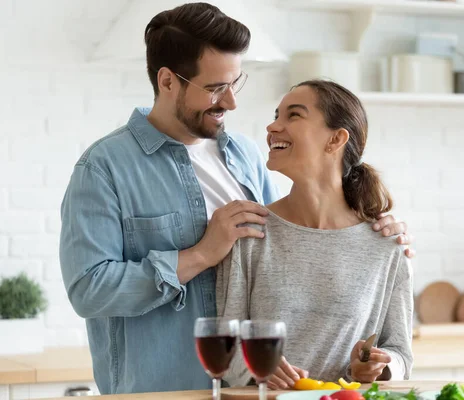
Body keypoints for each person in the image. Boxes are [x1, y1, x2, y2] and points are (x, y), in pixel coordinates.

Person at [59, 2, 414, 395]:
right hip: (161, 390)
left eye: (234, 83)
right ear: (167, 81)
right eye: (214, 88)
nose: (230, 102)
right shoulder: (104, 168)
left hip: (245, 392)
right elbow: (88, 290)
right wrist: (199, 255)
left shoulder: (243, 155)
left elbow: (290, 247)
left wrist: (375, 231)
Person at [217, 80, 413, 389]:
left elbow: (401, 355)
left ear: (336, 139)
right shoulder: (251, 232)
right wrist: (258, 369)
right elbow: (225, 347)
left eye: (293, 115)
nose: (273, 126)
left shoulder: (386, 245)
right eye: (276, 115)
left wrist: (378, 366)